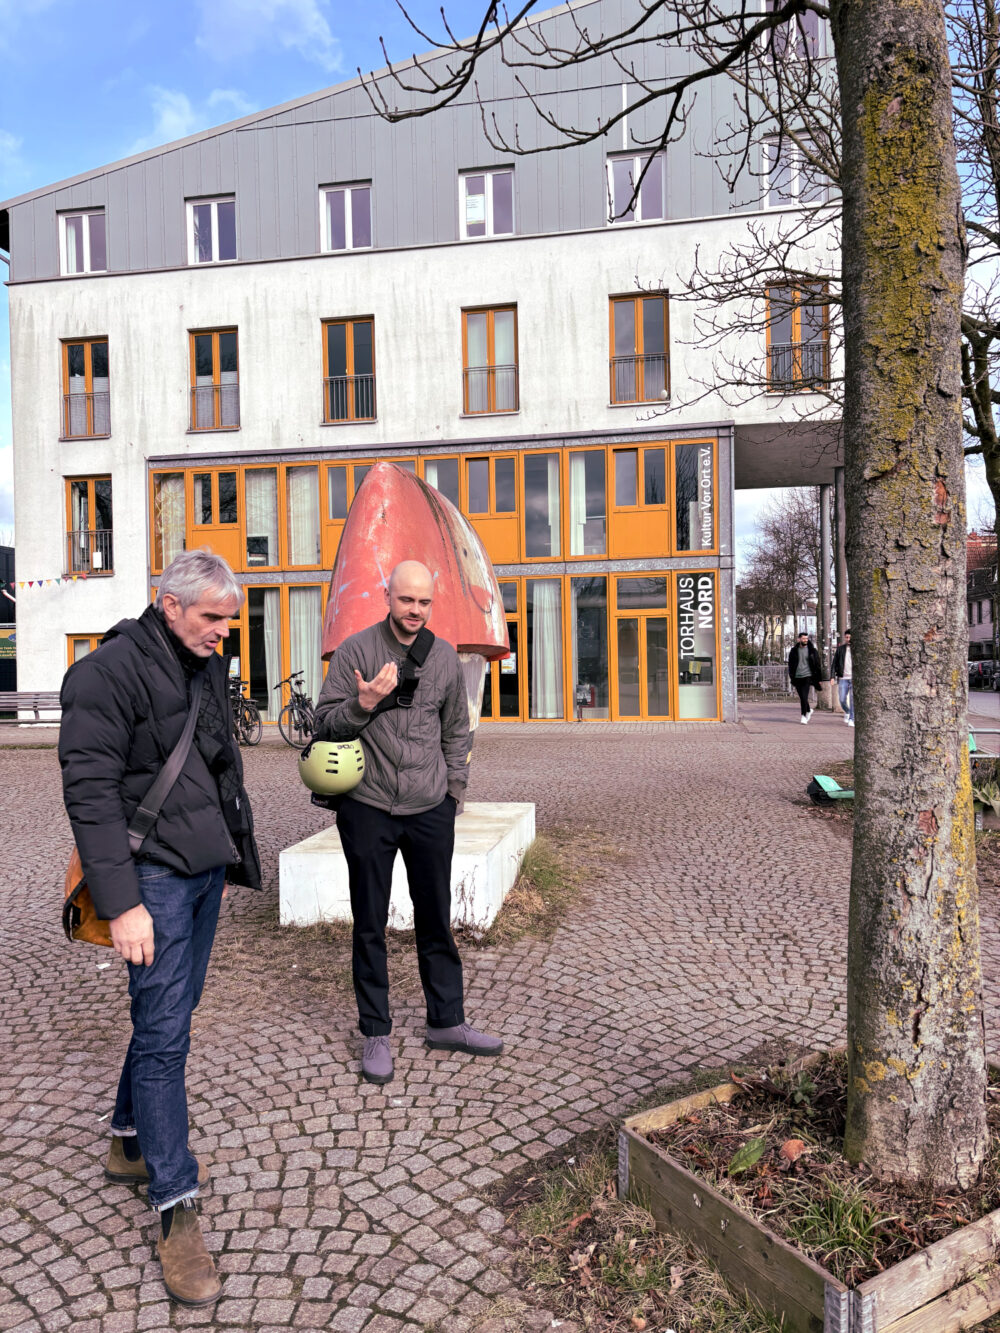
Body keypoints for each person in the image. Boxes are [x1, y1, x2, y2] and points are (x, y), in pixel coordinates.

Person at [59, 550, 261, 1308]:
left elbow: (213, 759)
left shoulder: (202, 663)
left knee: (166, 1016)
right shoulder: (105, 674)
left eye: (228, 619)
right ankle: (176, 1204)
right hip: (153, 882)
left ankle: (124, 1138)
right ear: (168, 604)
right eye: (211, 616)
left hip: (203, 868)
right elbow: (90, 793)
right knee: (166, 1032)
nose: (222, 631)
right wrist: (124, 903)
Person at [313, 559, 503, 1085]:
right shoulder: (355, 651)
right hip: (368, 806)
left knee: (436, 919)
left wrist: (452, 797)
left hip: (428, 809)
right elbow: (324, 722)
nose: (415, 610)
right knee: (370, 924)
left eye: (424, 602)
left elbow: (457, 732)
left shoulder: (444, 657)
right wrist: (363, 703)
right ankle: (376, 1030)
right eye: (406, 600)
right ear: (387, 596)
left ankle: (447, 1021)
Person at [787, 629, 821, 724]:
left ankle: (803, 716)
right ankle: (809, 710)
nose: (806, 640)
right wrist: (791, 675)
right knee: (802, 696)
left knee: (804, 696)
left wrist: (819, 678)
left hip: (807, 676)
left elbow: (817, 665)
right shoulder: (793, 651)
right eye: (803, 638)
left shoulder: (812, 651)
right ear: (799, 639)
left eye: (807, 638)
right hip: (797, 676)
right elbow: (790, 664)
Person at [832, 628, 854, 727]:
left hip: (853, 678)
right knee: (841, 699)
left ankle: (852, 719)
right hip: (843, 678)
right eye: (846, 637)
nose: (848, 639)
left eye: (850, 637)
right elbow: (834, 663)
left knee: (853, 700)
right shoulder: (840, 649)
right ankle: (847, 711)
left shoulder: (857, 650)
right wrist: (832, 677)